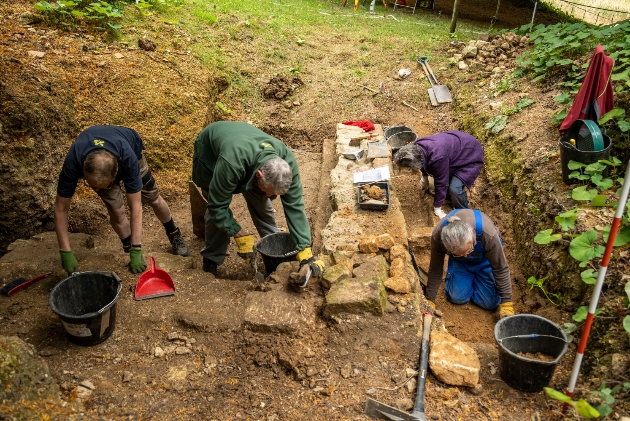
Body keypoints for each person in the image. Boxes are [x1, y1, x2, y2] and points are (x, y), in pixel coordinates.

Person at [191, 121, 324, 287]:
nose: (271, 196)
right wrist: (237, 232)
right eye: (270, 191)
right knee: (215, 214)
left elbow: (295, 205)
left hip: (249, 159)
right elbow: (218, 206)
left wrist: (305, 251)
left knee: (263, 205)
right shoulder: (231, 163)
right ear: (259, 175)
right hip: (212, 154)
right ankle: (211, 260)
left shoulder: (286, 163)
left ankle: (275, 252)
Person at [54, 125, 189, 274]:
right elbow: (61, 208)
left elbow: (136, 206)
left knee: (153, 199)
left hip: (130, 151)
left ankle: (174, 234)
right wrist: (65, 251)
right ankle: (128, 246)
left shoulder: (128, 159)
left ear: (115, 175)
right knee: (117, 211)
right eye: (93, 186)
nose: (97, 191)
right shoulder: (74, 161)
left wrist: (137, 249)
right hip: (100, 168)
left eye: (103, 186)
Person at [426, 209, 514, 318]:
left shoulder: (488, 234)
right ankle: (461, 273)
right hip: (460, 264)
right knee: (455, 297)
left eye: (469, 250)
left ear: (472, 234)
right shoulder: (437, 236)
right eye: (459, 253)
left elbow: (500, 268)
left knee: (490, 304)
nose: (466, 255)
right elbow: (435, 269)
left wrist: (507, 303)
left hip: (485, 261)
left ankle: (477, 279)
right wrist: (430, 300)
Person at [392, 131, 484, 219]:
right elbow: (422, 162)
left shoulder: (438, 158)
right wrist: (425, 178)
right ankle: (450, 196)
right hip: (456, 151)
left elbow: (441, 183)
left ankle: (465, 211)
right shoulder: (416, 148)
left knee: (454, 189)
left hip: (470, 156)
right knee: (439, 188)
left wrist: (437, 207)